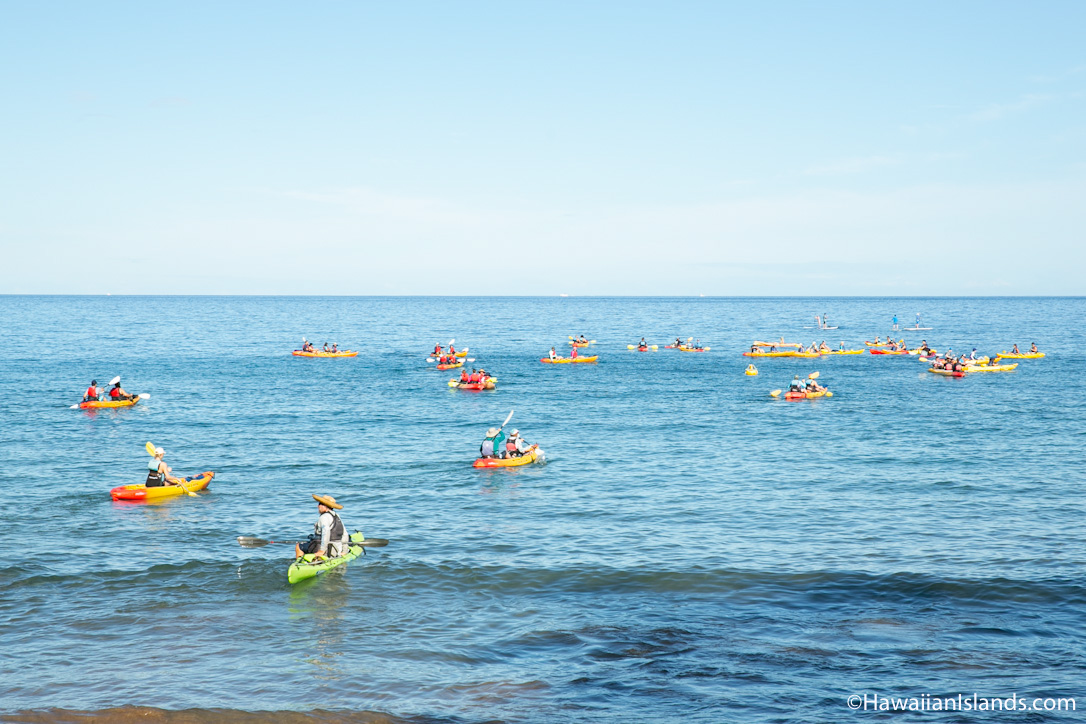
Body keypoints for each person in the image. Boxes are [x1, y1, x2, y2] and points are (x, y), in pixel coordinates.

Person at [295, 494, 349, 560]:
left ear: (324, 506)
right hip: (337, 548)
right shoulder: (336, 516)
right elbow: (345, 534)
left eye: (319, 504)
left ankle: (300, 563)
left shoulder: (324, 517)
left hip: (328, 550)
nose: (318, 506)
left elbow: (326, 533)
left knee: (299, 546)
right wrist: (344, 550)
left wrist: (322, 551)